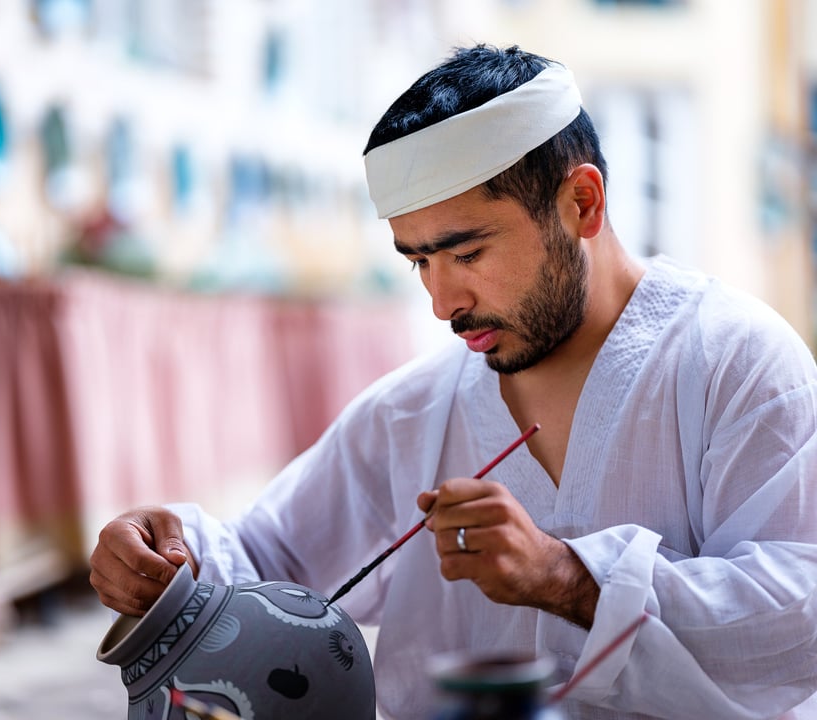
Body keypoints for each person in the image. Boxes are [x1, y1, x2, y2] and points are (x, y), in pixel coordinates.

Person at [89, 45, 817, 719]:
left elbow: (801, 615)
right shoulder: (412, 413)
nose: (443, 304)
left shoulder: (735, 362)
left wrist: (568, 577)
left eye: (466, 252)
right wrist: (166, 558)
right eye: (419, 263)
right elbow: (270, 565)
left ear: (582, 203)